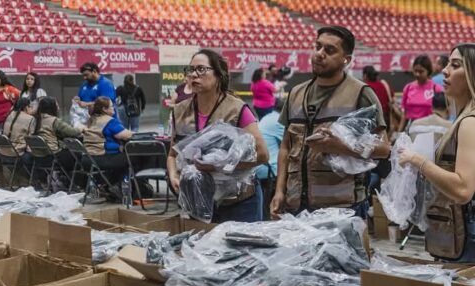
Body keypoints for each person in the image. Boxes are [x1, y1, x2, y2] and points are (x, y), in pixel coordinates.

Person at [398, 44, 475, 272]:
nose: (445, 70)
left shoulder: (471, 123)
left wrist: (418, 161)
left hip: (471, 234)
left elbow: (463, 189)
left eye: (455, 65)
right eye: (447, 64)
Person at [271, 26, 390, 219]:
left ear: (347, 60)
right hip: (295, 205)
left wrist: (343, 147)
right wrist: (279, 191)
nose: (319, 54)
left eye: (330, 50)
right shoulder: (296, 93)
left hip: (342, 208)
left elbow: (384, 148)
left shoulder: (361, 93)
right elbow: (286, 146)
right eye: (318, 47)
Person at [166, 50, 269, 223]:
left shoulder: (237, 109)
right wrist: (173, 175)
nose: (193, 75)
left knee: (238, 250)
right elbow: (172, 154)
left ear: (218, 75)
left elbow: (263, 154)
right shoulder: (180, 110)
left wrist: (219, 166)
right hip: (198, 199)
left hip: (239, 202)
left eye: (201, 69)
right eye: (190, 70)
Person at [83, 96, 134, 191]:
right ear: (104, 109)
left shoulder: (91, 119)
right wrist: (135, 133)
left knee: (122, 159)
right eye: (111, 106)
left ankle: (109, 184)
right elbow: (126, 135)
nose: (113, 108)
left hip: (88, 158)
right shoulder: (109, 121)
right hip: (101, 158)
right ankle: (122, 187)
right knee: (133, 158)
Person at [33, 96, 83, 177]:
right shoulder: (54, 120)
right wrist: (81, 128)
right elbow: (73, 132)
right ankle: (67, 180)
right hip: (52, 156)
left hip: (38, 156)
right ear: (51, 107)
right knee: (77, 155)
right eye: (56, 105)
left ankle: (62, 178)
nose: (58, 107)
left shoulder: (35, 119)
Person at [401, 55, 443, 124]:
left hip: (429, 126)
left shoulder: (436, 88)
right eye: (415, 71)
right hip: (411, 127)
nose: (417, 74)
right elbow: (404, 114)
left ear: (428, 71)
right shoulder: (408, 88)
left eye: (421, 71)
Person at [362, 65, 394, 131]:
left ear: (365, 75)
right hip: (385, 118)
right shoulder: (382, 84)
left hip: (373, 119)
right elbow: (391, 100)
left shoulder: (366, 87)